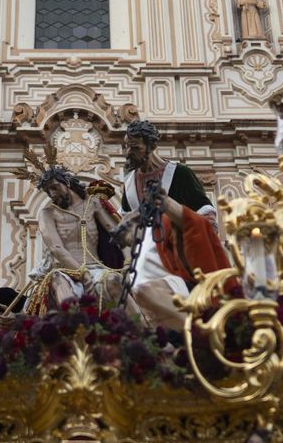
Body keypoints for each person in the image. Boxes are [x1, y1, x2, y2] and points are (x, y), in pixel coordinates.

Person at [117, 119, 232, 327]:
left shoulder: (179, 175)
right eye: (126, 146)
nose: (127, 152)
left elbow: (206, 215)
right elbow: (125, 225)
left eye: (134, 147)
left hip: (177, 258)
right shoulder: (129, 183)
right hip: (142, 258)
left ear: (151, 146)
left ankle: (197, 331)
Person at [28, 165, 123, 311]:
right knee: (58, 283)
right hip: (66, 271)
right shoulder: (47, 213)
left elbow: (116, 233)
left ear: (66, 182)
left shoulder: (93, 204)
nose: (52, 194)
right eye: (48, 192)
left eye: (54, 187)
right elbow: (56, 248)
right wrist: (82, 274)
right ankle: (74, 327)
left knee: (115, 281)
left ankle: (144, 329)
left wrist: (129, 262)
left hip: (97, 269)